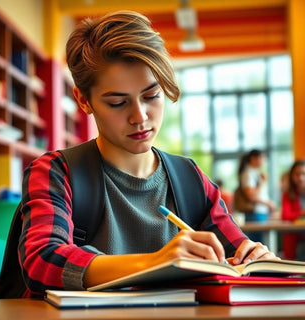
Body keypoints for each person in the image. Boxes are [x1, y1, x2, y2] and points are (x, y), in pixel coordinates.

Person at [17, 11, 276, 298]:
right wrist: (154, 262)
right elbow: (42, 261)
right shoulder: (56, 172)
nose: (140, 117)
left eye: (152, 96)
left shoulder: (190, 179)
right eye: (117, 102)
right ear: (83, 100)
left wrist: (254, 259)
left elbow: (237, 252)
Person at [281, 160, 305, 260]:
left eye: (303, 173)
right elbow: (285, 216)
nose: (300, 177)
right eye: (297, 174)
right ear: (292, 176)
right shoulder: (288, 194)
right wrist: (302, 212)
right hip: (296, 238)